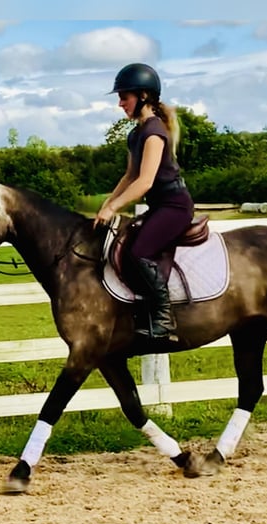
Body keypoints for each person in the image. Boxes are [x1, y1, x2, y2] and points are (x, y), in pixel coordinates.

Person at [93, 62, 194, 342]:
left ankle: (163, 318)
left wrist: (115, 207)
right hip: (159, 206)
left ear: (144, 96)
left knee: (138, 252)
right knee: (124, 246)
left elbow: (145, 182)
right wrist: (107, 205)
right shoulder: (136, 134)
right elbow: (129, 176)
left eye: (124, 97)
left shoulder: (154, 131)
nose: (120, 104)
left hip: (175, 206)